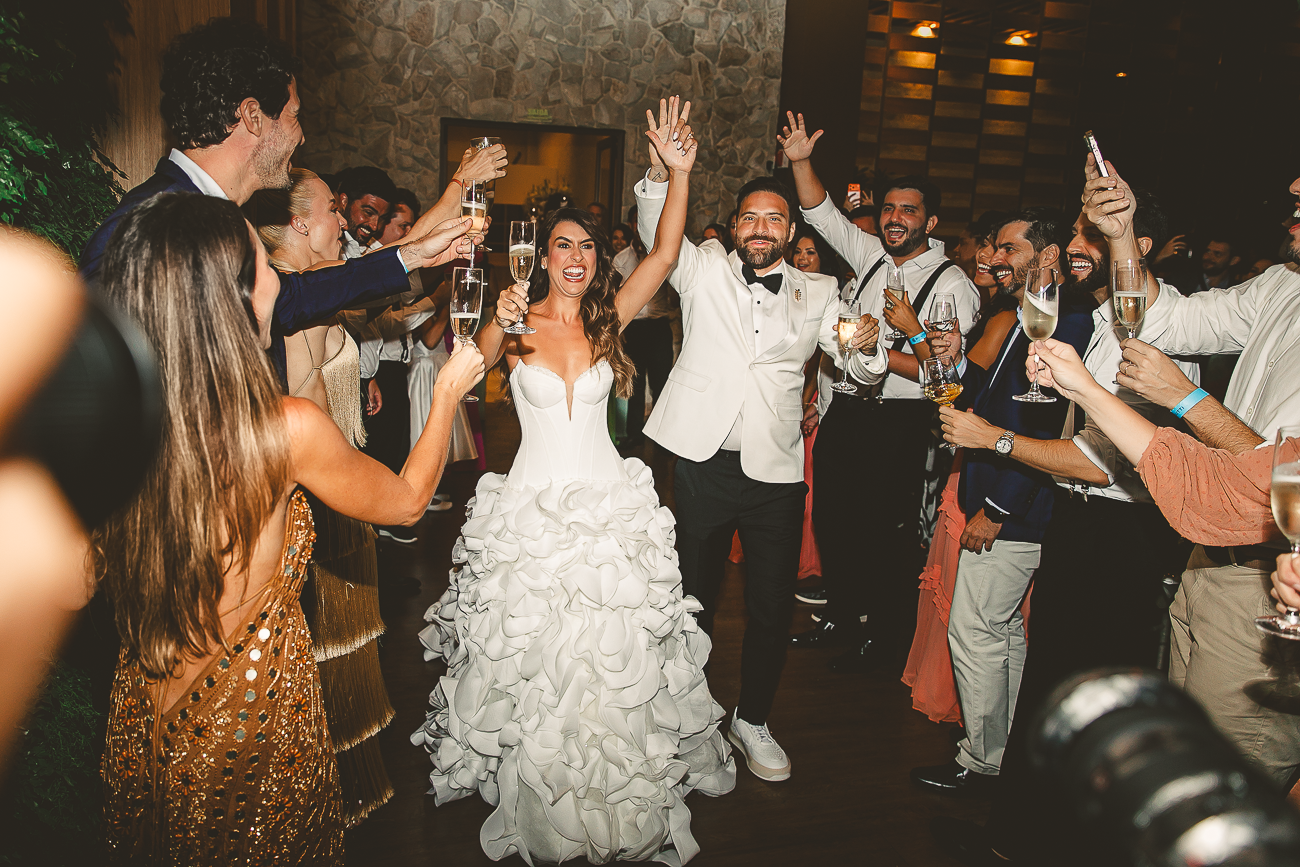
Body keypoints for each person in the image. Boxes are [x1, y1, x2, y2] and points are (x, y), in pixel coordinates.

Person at [96, 192, 484, 863]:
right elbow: (407, 501)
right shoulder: (280, 431)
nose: (280, 274)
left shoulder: (113, 422)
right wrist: (448, 392)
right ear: (232, 299)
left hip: (144, 702)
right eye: (262, 263)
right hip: (251, 711)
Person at [414, 97, 736, 865]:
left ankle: (610, 798)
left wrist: (679, 172)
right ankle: (535, 797)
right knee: (537, 670)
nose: (577, 256)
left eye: (587, 246)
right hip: (530, 511)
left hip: (606, 510)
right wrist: (495, 315)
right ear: (543, 253)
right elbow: (466, 371)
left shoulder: (607, 321)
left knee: (610, 666)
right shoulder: (517, 321)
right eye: (563, 244)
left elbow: (661, 256)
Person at [935, 167, 1199, 864]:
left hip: (1121, 537)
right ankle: (1019, 833)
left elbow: (1106, 460)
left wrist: (990, 439)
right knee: (1051, 690)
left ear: (1137, 242)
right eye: (1077, 230)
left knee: (1083, 702)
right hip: (1083, 528)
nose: (1072, 243)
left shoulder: (1159, 330)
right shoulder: (1100, 321)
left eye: (1093, 231)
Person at [634, 107, 884, 782]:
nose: (761, 227)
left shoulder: (822, 289)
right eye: (749, 217)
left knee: (772, 607)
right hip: (700, 463)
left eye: (774, 218)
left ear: (792, 230)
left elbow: (858, 364)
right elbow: (657, 236)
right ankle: (682, 716)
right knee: (693, 596)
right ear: (735, 225)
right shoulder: (704, 268)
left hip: (775, 473)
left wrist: (864, 348)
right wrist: (662, 170)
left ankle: (753, 718)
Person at [77, 17, 508, 383]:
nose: (301, 135)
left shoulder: (212, 213)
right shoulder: (148, 223)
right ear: (252, 116)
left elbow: (295, 296)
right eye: (294, 115)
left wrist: (414, 254)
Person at [1077, 161, 1300, 788]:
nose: (1293, 188)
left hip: (1274, 585)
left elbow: (1280, 477)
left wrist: (1186, 400)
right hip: (1210, 556)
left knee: (1228, 788)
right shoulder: (1284, 284)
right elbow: (1162, 320)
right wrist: (1121, 234)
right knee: (1182, 765)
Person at [779, 111, 980, 672]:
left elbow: (941, 375)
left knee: (886, 535)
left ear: (930, 221)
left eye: (907, 211)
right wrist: (800, 162)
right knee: (834, 521)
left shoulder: (950, 284)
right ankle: (841, 616)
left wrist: (871, 351)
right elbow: (820, 213)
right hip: (848, 410)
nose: (893, 219)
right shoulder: (871, 258)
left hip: (900, 424)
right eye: (888, 209)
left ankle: (884, 636)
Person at [908, 209, 1095, 796]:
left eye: (1009, 250)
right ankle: (1008, 749)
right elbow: (996, 399)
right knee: (1002, 630)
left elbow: (1049, 425)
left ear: (1047, 257)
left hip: (1015, 508)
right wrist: (957, 360)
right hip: (999, 495)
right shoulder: (1024, 314)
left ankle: (984, 759)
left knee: (974, 628)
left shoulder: (1066, 321)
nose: (993, 260)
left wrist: (999, 510)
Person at [244, 168, 398, 824]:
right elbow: (300, 399)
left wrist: (352, 384)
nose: (344, 221)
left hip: (330, 471)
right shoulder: (282, 291)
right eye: (334, 209)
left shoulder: (303, 287)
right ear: (300, 222)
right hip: (318, 486)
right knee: (319, 643)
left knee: (329, 641)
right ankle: (321, 789)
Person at [335, 166, 397, 256]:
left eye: (383, 218)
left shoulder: (377, 251)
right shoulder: (328, 246)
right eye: (368, 213)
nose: (375, 226)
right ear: (344, 201)